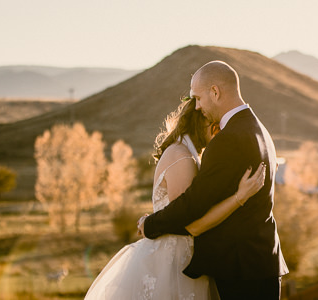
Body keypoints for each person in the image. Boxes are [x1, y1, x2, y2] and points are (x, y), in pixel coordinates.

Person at [85, 97, 266, 300]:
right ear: (201, 124)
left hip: (182, 256)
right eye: (214, 125)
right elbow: (193, 223)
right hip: (175, 262)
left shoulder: (185, 153)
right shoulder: (183, 157)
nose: (218, 132)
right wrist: (239, 197)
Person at [140, 61, 289, 300]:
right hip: (263, 262)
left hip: (241, 270)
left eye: (198, 98)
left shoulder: (228, 140)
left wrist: (150, 225)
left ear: (215, 92)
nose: (197, 107)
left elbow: (194, 205)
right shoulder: (259, 129)